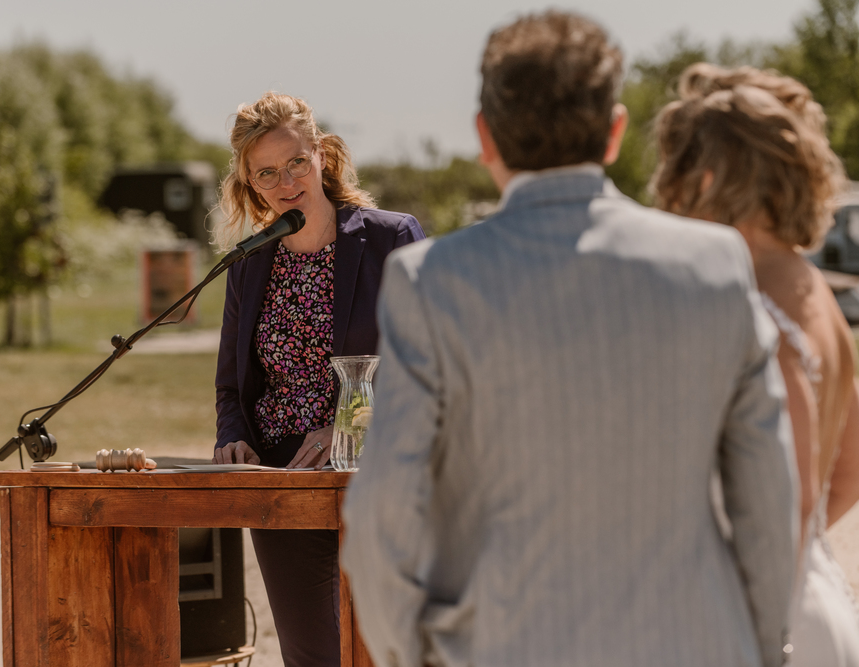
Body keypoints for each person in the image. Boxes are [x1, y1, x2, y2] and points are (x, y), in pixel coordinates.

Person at [341, 11, 798, 667]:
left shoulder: (431, 281)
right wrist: (764, 647)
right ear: (615, 131)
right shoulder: (715, 264)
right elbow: (767, 501)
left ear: (484, 135)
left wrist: (411, 653)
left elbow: (383, 516)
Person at [651, 63, 859, 667]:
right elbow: (854, 475)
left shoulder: (753, 307)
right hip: (820, 602)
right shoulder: (814, 288)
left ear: (704, 179)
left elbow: (791, 498)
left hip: (766, 624)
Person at [211, 91, 425, 667]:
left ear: (322, 156)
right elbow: (231, 386)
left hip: (377, 476)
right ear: (251, 183)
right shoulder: (248, 264)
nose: (286, 182)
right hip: (280, 483)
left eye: (296, 163)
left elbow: (431, 363)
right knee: (312, 654)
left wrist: (349, 429)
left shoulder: (391, 239)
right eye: (267, 173)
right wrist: (233, 438)